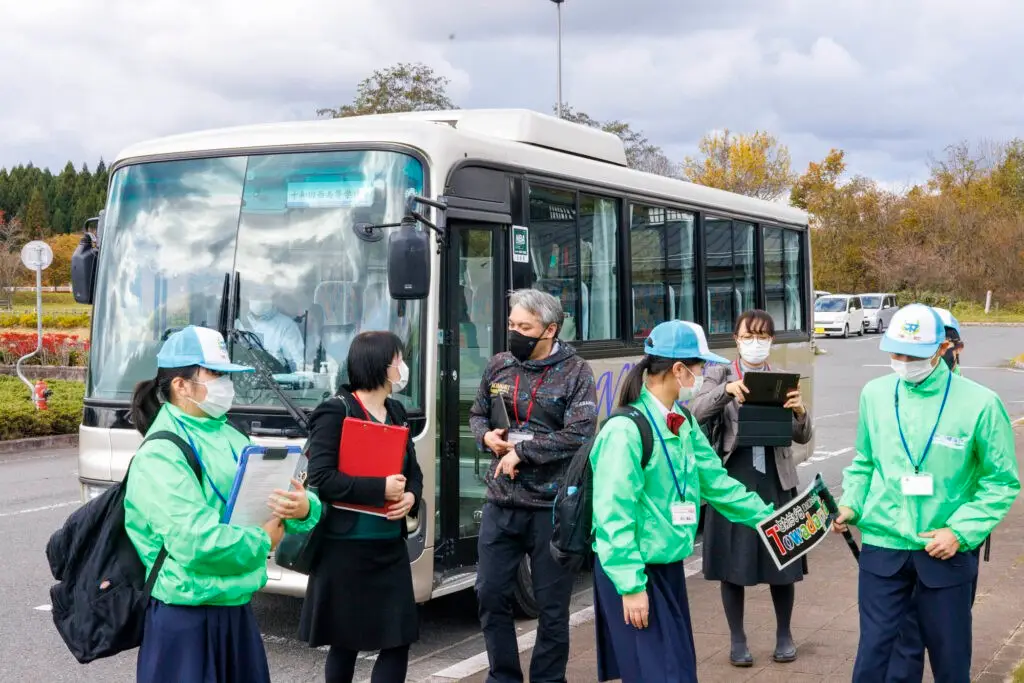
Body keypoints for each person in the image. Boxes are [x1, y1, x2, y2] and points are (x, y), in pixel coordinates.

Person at [832, 304, 1020, 683]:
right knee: (875, 659)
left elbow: (1001, 482)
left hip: (944, 549)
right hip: (883, 547)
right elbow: (865, 462)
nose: (902, 362)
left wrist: (961, 532)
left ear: (941, 349)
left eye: (913, 355)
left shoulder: (981, 404)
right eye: (895, 352)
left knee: (951, 662)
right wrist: (851, 503)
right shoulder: (875, 394)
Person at [125, 325, 322, 683]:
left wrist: (303, 508)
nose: (225, 384)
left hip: (236, 610)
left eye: (227, 375)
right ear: (180, 385)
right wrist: (263, 541)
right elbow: (194, 542)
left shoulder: (229, 433)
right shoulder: (160, 453)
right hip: (185, 617)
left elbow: (267, 500)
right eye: (215, 374)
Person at [590, 320, 774, 683]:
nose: (703, 375)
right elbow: (613, 516)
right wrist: (631, 586)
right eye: (700, 367)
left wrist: (771, 518)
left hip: (667, 567)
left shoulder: (683, 421)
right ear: (678, 370)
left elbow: (717, 484)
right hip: (634, 570)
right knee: (659, 674)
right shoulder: (625, 431)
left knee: (677, 671)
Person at [469, 288, 598, 683]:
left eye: (525, 327)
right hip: (501, 502)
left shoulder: (577, 372)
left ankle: (547, 678)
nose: (515, 333)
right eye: (511, 324)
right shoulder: (499, 366)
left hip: (552, 508)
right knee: (490, 595)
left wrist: (523, 453)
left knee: (553, 607)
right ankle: (503, 675)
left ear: (551, 329)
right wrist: (486, 438)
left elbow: (580, 433)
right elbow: (476, 413)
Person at [299, 330, 424, 683]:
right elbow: (321, 477)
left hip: (389, 546)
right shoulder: (335, 411)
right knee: (345, 642)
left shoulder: (397, 411)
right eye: (398, 360)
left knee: (397, 639)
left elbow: (413, 473)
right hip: (345, 547)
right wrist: (379, 489)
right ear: (381, 366)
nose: (403, 367)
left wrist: (411, 496)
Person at [691, 309, 812, 666]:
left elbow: (802, 435)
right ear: (736, 338)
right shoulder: (719, 374)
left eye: (762, 337)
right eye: (749, 336)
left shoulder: (783, 378)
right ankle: (737, 639)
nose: (755, 343)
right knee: (733, 561)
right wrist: (727, 393)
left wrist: (800, 411)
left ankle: (784, 634)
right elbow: (694, 411)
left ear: (771, 341)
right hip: (733, 475)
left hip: (776, 476)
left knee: (782, 560)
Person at [886, 306, 984, 682]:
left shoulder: (973, 402)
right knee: (902, 644)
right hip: (901, 541)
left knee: (950, 642)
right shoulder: (895, 397)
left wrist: (961, 530)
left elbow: (994, 480)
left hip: (952, 543)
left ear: (951, 347)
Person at [240, 293, 305, 371]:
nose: (259, 300)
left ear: (273, 298)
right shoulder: (237, 321)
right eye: (256, 295)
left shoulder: (287, 326)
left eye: (263, 295)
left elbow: (298, 364)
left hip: (272, 381)